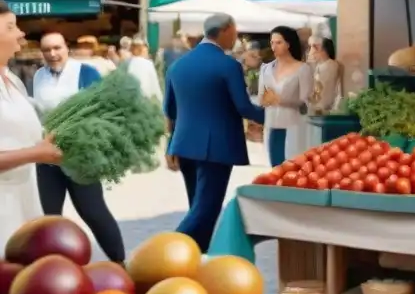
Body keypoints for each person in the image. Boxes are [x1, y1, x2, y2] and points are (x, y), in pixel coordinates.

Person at [164, 13, 265, 252]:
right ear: (226, 30)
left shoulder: (177, 65)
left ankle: (193, 261)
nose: (237, 37)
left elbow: (170, 109)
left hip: (184, 145)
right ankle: (164, 252)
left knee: (198, 210)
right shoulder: (228, 65)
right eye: (235, 31)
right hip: (216, 147)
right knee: (205, 210)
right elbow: (243, 106)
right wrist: (272, 117)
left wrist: (169, 145)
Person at [31, 31, 127, 263]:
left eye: (57, 48)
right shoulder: (38, 76)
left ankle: (120, 261)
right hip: (47, 158)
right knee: (49, 217)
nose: (52, 54)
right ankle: (54, 267)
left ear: (67, 48)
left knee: (93, 211)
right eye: (47, 50)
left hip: (80, 155)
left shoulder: (86, 72)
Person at [0, 2, 64, 249]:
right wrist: (37, 153)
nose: (21, 34)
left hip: (24, 199)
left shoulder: (13, 80)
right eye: (10, 27)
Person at [259, 26, 313, 166]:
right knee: (274, 168)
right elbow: (261, 98)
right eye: (272, 42)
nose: (274, 46)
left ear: (288, 44)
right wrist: (265, 100)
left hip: (293, 125)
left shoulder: (303, 69)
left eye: (278, 42)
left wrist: (280, 100)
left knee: (292, 167)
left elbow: (306, 101)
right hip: (272, 125)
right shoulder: (266, 69)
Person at [123, 37, 163, 103]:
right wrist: (161, 100)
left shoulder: (127, 63)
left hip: (131, 98)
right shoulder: (148, 63)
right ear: (142, 50)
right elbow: (155, 84)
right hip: (145, 98)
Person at [309, 37, 341, 114]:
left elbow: (323, 91)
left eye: (315, 47)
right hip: (318, 110)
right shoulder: (320, 65)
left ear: (323, 50)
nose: (312, 51)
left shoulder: (330, 65)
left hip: (324, 110)